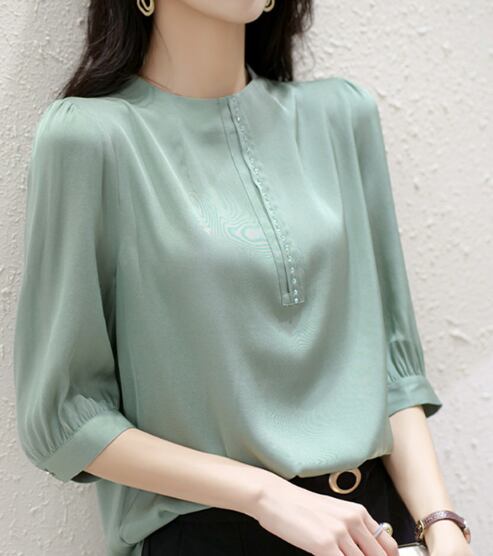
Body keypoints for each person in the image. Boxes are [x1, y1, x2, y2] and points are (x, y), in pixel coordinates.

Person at [12, 1, 473, 555]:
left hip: (376, 529)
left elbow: (391, 372)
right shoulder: (90, 138)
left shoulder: (340, 117)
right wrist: (264, 494)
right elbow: (68, 416)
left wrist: (442, 525)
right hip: (212, 534)